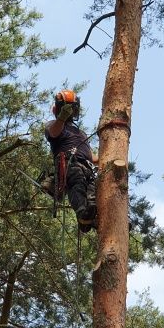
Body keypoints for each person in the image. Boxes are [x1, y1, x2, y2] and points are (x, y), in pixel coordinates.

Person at [44, 90, 97, 231]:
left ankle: (90, 219)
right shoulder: (52, 124)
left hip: (87, 167)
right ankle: (82, 213)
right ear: (57, 109)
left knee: (93, 193)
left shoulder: (81, 133)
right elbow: (53, 133)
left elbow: (93, 157)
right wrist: (61, 118)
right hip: (69, 163)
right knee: (77, 184)